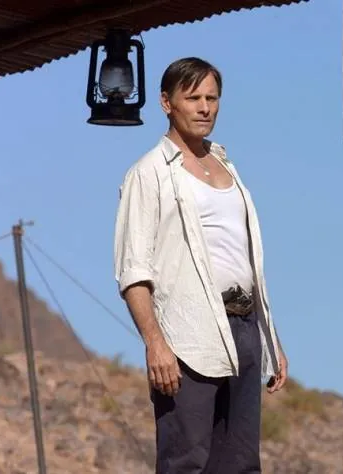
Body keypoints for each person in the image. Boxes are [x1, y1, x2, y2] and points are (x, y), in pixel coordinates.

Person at [113, 56, 288, 473]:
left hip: (245, 327)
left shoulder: (226, 165)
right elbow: (133, 270)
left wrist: (271, 338)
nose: (205, 108)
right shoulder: (149, 174)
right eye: (193, 98)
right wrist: (155, 343)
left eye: (212, 98)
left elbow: (242, 257)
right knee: (186, 461)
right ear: (166, 103)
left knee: (241, 463)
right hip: (187, 336)